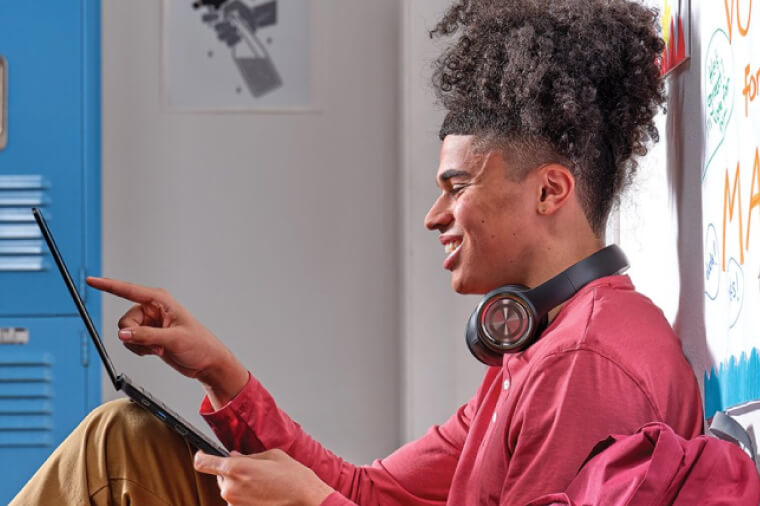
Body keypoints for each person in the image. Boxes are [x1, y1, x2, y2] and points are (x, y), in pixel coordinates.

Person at [12, 0, 704, 504]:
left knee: (112, 451)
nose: (435, 217)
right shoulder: (535, 349)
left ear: (550, 190)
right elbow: (367, 490)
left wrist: (311, 505)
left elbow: (337, 498)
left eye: (456, 187)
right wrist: (223, 373)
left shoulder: (586, 366)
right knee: (124, 438)